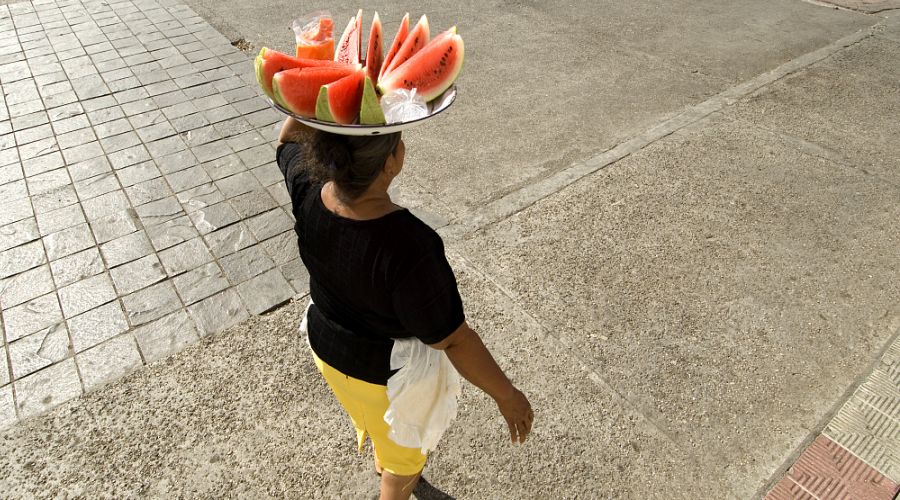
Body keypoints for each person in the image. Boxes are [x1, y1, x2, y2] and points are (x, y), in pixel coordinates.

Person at [276, 117, 533, 500]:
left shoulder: (308, 188)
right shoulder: (411, 247)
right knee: (404, 469)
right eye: (398, 142)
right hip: (387, 380)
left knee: (376, 424)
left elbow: (288, 139)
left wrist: (315, 99)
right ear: (391, 162)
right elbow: (453, 340)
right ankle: (391, 470)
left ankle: (383, 450)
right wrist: (507, 395)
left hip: (326, 349)